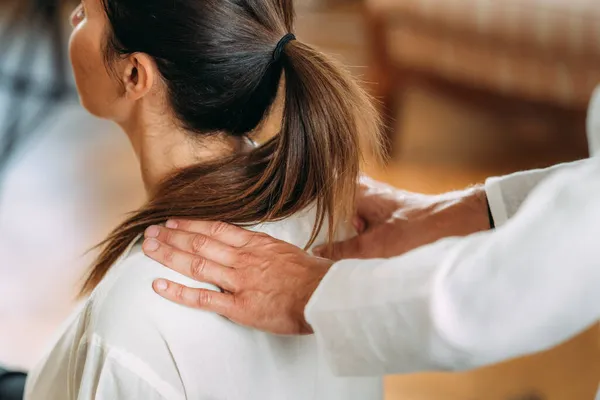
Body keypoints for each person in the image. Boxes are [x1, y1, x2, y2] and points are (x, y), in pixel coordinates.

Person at [19, 0, 386, 399]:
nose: (73, 16)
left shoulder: (137, 311)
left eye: (86, 12)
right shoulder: (330, 215)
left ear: (134, 74)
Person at [141, 150, 600, 375]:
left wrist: (317, 293)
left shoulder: (132, 320)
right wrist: (477, 209)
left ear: (136, 72)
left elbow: (542, 280)